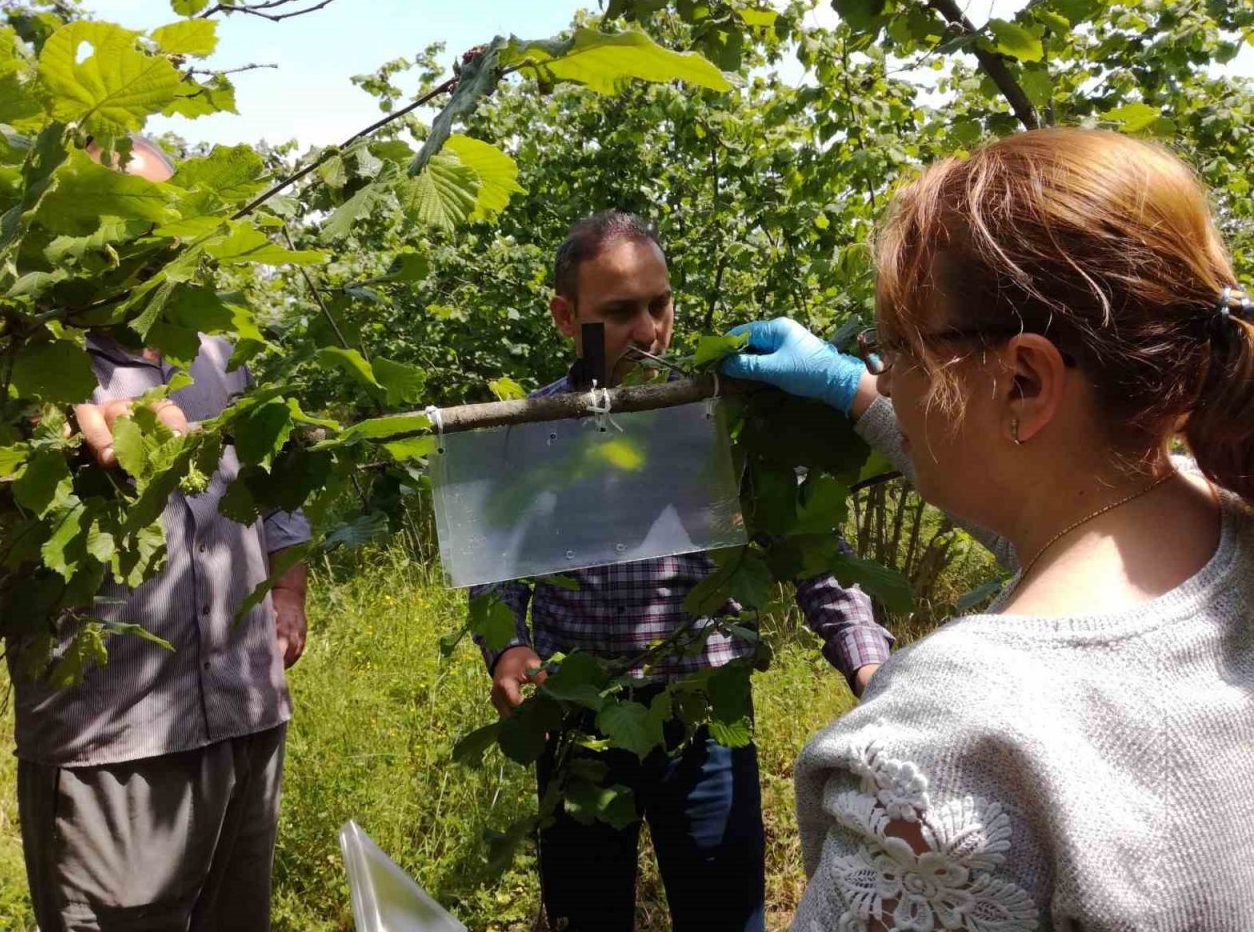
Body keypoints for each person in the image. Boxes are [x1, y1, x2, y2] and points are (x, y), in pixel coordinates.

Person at [722, 127, 1254, 930]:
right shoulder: (1220, 532)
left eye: (899, 346)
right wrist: (851, 393)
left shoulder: (954, 750)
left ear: (1026, 380)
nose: (887, 376)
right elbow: (1059, 526)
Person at [472, 210, 895, 932]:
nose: (649, 331)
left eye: (659, 305)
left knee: (725, 913)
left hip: (704, 713)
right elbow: (500, 566)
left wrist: (870, 670)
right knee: (585, 912)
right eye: (619, 312)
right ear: (565, 317)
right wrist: (508, 643)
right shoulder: (533, 428)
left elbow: (816, 556)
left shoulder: (725, 421)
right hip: (577, 718)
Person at [8, 135, 312, 932]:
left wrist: (288, 587)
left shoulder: (221, 346)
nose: (135, 246)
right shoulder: (26, 368)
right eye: (112, 221)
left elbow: (278, 480)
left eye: (157, 221)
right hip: (115, 743)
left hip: (246, 716)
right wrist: (56, 436)